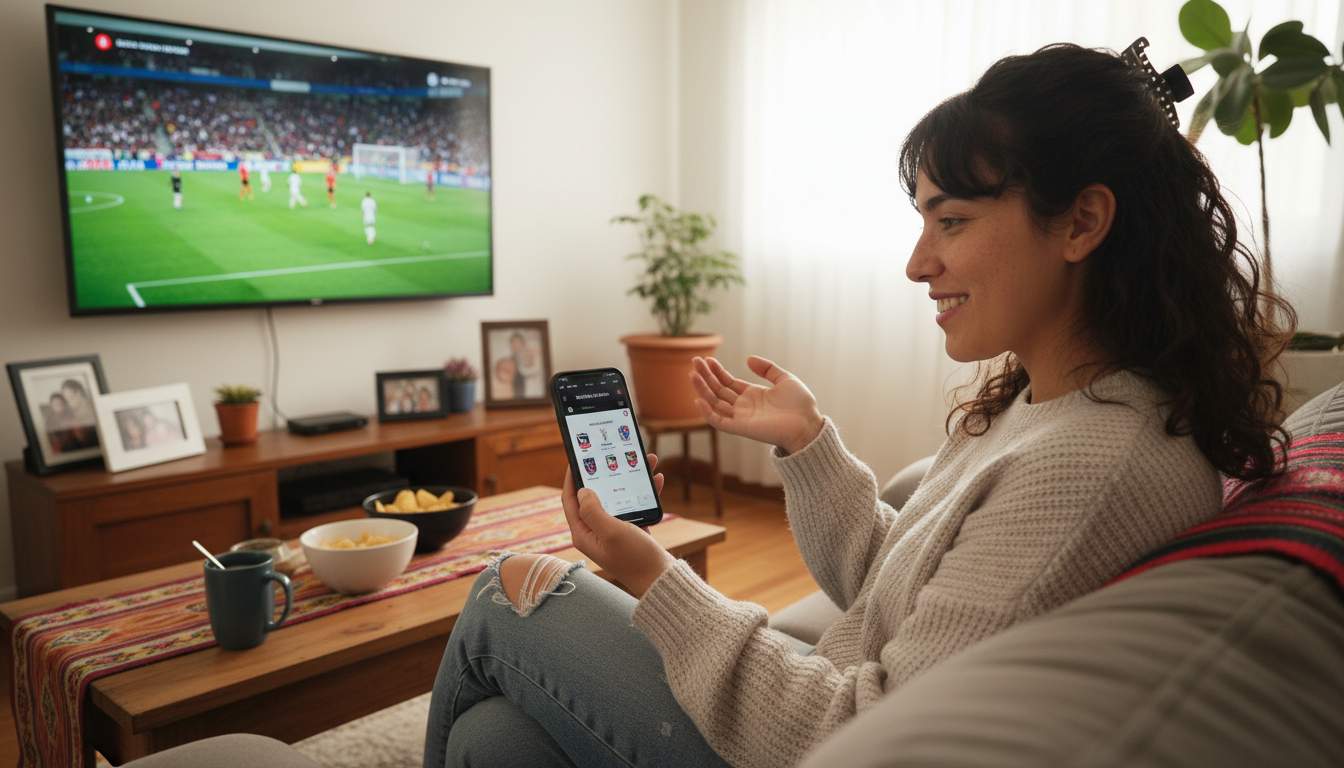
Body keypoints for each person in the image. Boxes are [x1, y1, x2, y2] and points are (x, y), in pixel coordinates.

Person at [423, 43, 1296, 768]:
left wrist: (654, 573)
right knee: (494, 741)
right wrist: (807, 442)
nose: (918, 264)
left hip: (821, 743)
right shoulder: (1055, 403)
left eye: (950, 221)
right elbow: (898, 597)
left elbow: (863, 733)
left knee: (508, 595)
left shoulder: (1091, 466)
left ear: (1081, 223)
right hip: (830, 703)